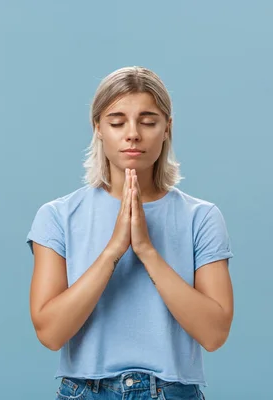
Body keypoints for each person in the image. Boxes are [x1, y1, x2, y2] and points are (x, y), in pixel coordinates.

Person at [26, 66, 234, 400]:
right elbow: (51, 333)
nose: (133, 134)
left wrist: (147, 251)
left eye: (148, 121)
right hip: (85, 391)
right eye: (117, 121)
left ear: (167, 128)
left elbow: (214, 334)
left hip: (172, 392)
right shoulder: (58, 216)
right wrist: (113, 250)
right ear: (98, 128)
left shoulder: (201, 217)